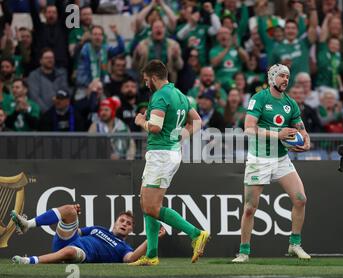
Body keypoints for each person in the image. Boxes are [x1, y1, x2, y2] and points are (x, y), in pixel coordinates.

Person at [132, 59, 209, 266]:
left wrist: (141, 122)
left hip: (161, 155)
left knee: (151, 206)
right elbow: (198, 121)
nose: (146, 84)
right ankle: (151, 254)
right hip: (168, 152)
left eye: (146, 80)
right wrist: (180, 136)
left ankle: (196, 233)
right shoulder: (180, 95)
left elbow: (155, 128)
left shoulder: (160, 96)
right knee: (145, 203)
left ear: (154, 77)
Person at [232, 64, 312, 263]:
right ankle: (243, 252)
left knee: (301, 199)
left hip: (281, 159)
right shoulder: (259, 98)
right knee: (250, 207)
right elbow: (248, 128)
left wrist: (306, 140)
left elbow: (300, 128)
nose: (286, 79)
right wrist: (278, 134)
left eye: (288, 76)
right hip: (259, 159)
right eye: (282, 76)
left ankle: (294, 244)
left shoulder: (290, 103)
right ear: (272, 78)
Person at [10, 204, 165, 264]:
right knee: (69, 210)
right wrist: (71, 219)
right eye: (122, 220)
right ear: (115, 223)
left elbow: (131, 259)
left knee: (70, 251)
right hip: (67, 241)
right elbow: (76, 231)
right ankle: (27, 224)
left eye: (128, 223)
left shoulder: (123, 248)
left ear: (131, 230)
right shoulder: (98, 229)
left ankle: (28, 261)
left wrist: (152, 238)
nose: (124, 224)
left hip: (81, 254)